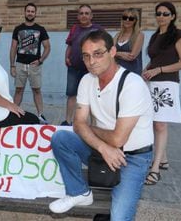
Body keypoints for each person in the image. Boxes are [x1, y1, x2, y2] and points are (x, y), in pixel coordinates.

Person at [49, 30, 154, 220]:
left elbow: (117, 138)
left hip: (132, 158)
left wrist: (90, 130)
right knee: (61, 138)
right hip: (102, 149)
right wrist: (102, 146)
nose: (92, 61)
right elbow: (78, 124)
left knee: (119, 217)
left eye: (98, 54)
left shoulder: (133, 84)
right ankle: (79, 192)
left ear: (112, 51)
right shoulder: (87, 81)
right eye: (86, 56)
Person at [142, 2, 181, 185]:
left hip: (167, 84)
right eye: (158, 13)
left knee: (161, 125)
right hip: (152, 83)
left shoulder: (178, 35)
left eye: (165, 13)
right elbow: (153, 60)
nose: (161, 16)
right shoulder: (155, 36)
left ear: (173, 16)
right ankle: (163, 159)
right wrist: (145, 72)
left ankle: (155, 169)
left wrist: (159, 69)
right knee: (154, 123)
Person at [9, 3, 50, 123]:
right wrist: (12, 65)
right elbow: (13, 48)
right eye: (28, 11)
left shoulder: (41, 29)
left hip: (34, 66)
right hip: (20, 64)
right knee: (18, 90)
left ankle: (40, 115)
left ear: (35, 13)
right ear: (25, 12)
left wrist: (40, 60)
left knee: (37, 90)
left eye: (32, 11)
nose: (30, 13)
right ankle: (13, 114)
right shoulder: (18, 29)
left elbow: (47, 47)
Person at [64, 4, 103, 125]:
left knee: (92, 96)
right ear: (78, 16)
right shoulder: (74, 29)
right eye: (81, 13)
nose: (84, 15)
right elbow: (70, 45)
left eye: (86, 13)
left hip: (91, 70)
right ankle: (67, 121)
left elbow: (103, 47)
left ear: (91, 16)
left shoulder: (98, 30)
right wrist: (66, 57)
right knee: (71, 94)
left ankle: (94, 124)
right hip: (74, 68)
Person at [113, 8, 144, 75]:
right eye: (125, 17)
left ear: (135, 21)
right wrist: (120, 54)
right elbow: (110, 53)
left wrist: (116, 53)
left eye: (131, 18)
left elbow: (131, 57)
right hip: (117, 72)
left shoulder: (139, 35)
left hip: (132, 73)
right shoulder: (117, 35)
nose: (127, 20)